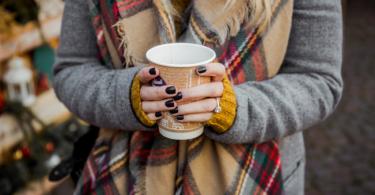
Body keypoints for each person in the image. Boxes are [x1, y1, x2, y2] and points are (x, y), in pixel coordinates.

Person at [53, 0, 343, 194]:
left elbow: (318, 80)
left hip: (256, 178)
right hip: (122, 179)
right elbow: (71, 70)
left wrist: (234, 109)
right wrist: (127, 97)